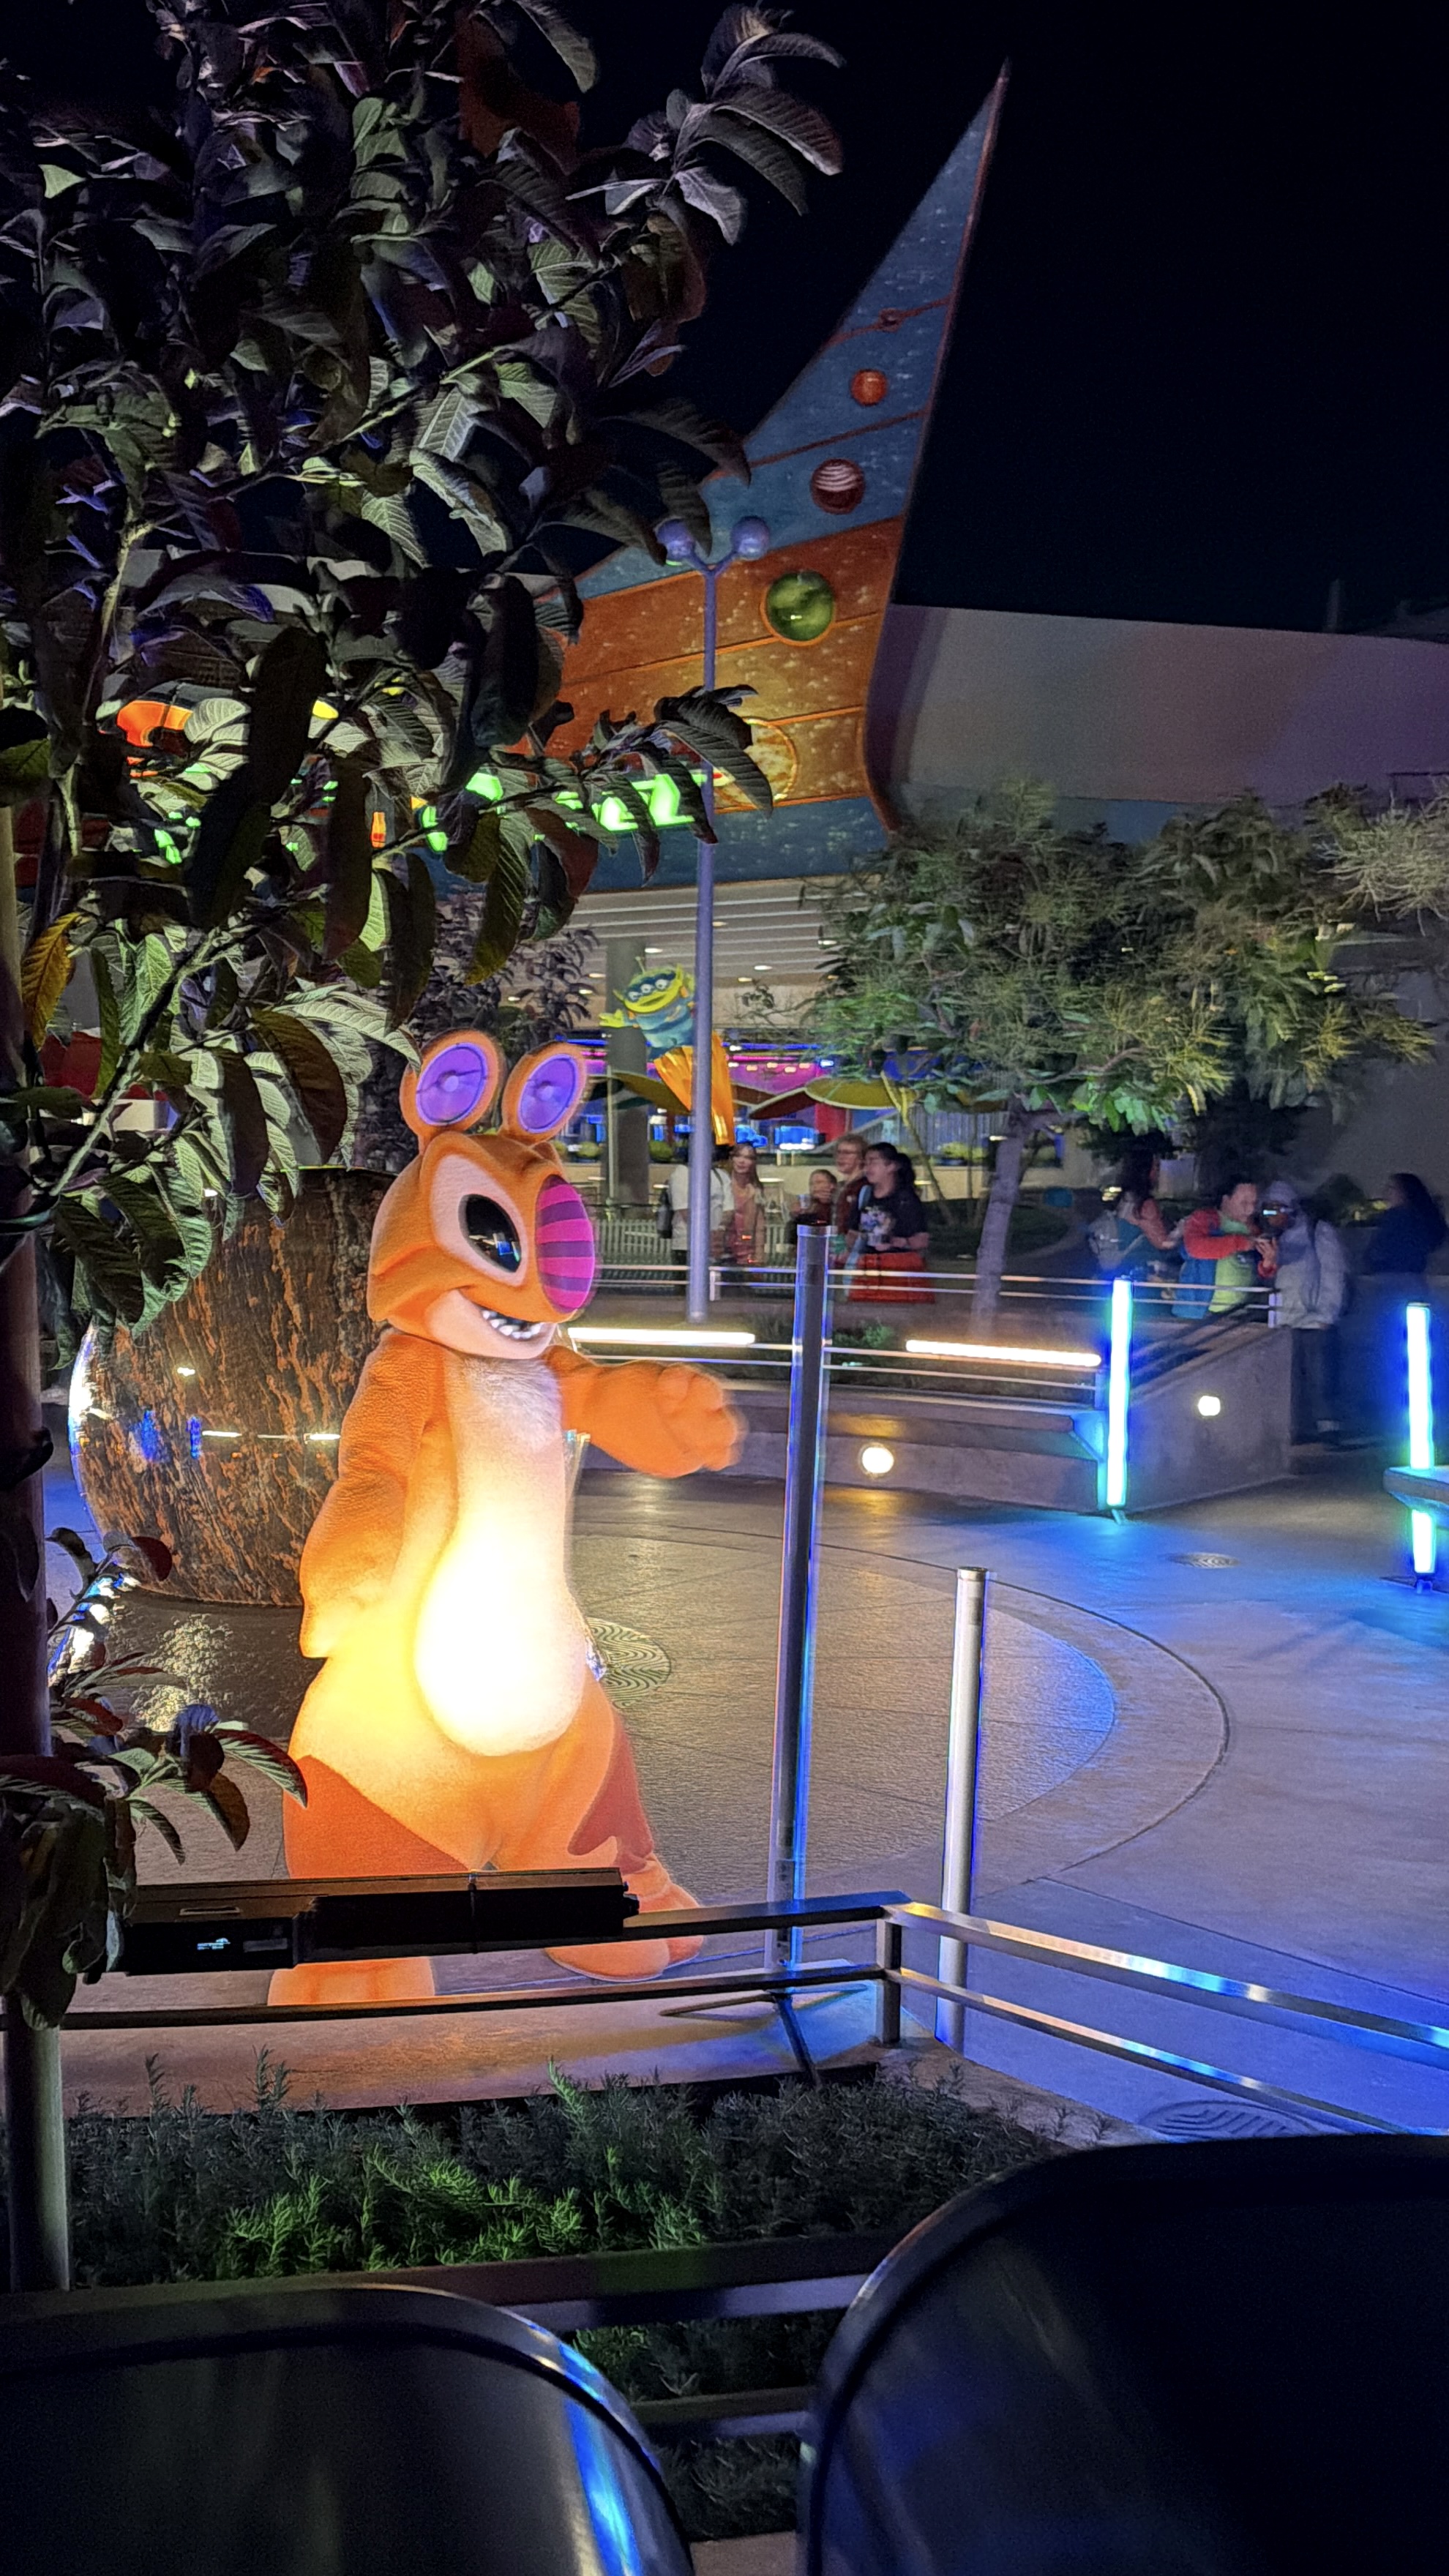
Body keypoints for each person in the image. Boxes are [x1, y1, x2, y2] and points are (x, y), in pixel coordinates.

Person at [1261, 1180, 1348, 1439]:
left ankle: (1328, 1428)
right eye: (1267, 1210)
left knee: (1320, 1377)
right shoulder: (1273, 1240)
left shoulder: (1317, 1231)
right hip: (1284, 1320)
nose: (1271, 1216)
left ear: (1291, 1208)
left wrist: (1327, 1313)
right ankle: (1295, 1429)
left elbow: (1333, 1272)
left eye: (1277, 1209)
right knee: (1290, 1381)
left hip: (1314, 1319)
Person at [1173, 1177, 1276, 1319]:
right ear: (1226, 1200)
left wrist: (1268, 1263)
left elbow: (1261, 1272)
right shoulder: (1204, 1219)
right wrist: (1241, 1243)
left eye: (1254, 1203)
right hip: (1200, 1311)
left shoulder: (1255, 1230)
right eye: (1244, 1203)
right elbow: (1195, 1248)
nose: (1251, 1209)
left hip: (1240, 1313)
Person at [849, 1142, 935, 1305]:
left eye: (873, 1162)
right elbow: (852, 1233)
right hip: (867, 1268)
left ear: (891, 1166)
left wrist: (898, 1242)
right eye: (866, 1163)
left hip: (899, 1269)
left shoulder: (906, 1200)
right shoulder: (864, 1195)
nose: (867, 1168)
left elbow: (922, 1239)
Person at [1091, 1144, 1178, 1275]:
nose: (1158, 1171)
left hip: (1120, 1266)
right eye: (1156, 1166)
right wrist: (1183, 1231)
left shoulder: (1123, 1199)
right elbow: (1163, 1243)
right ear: (1146, 1171)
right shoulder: (1144, 1205)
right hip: (1145, 1269)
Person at [1363, 1172, 1448, 1278]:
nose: (1385, 1192)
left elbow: (1382, 1252)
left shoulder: (1397, 1220)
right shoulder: (1428, 1222)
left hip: (1393, 1278)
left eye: (1392, 1188)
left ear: (1406, 1192)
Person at [666, 1136, 729, 1273]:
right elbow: (685, 1211)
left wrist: (719, 1232)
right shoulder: (681, 1174)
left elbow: (729, 1208)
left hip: (716, 1246)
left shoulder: (721, 1175)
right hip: (687, 1245)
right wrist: (707, 1235)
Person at [721, 1139, 767, 1276]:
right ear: (732, 1159)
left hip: (746, 1253)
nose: (742, 1161)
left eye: (747, 1158)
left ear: (753, 1162)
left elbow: (759, 1228)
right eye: (738, 1156)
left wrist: (758, 1259)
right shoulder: (722, 1185)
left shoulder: (756, 1190)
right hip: (722, 1250)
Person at [831, 1132, 869, 1240]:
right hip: (838, 1243)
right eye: (839, 1152)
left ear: (861, 1158)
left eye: (847, 1153)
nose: (841, 1157)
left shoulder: (865, 1186)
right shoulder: (839, 1186)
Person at [791, 1168, 837, 1242]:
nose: (814, 1186)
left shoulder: (838, 1207)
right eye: (811, 1184)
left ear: (832, 1185)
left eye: (819, 1182)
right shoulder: (806, 1206)